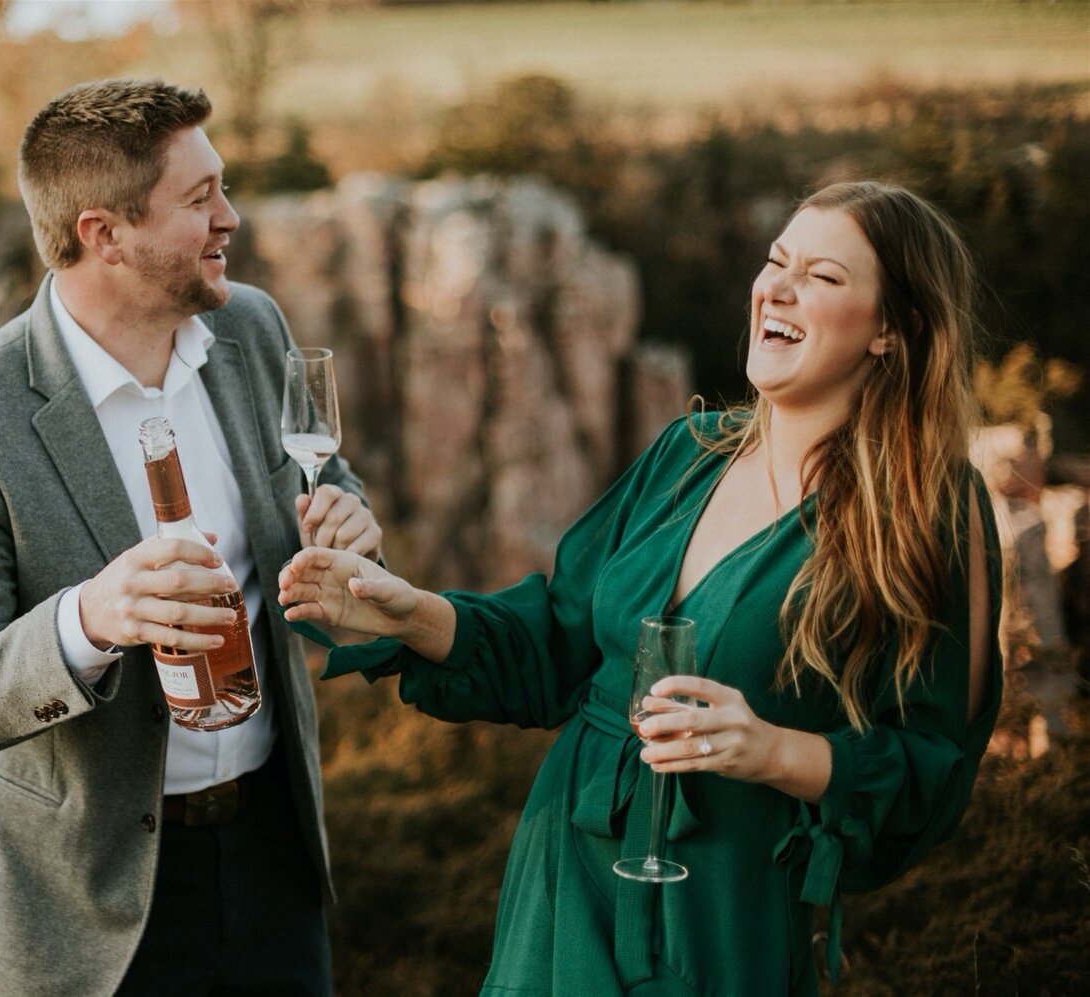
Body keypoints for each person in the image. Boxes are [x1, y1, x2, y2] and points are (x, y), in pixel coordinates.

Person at [278, 180, 1002, 996]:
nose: (779, 287)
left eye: (825, 277)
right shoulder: (685, 455)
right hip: (561, 886)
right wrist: (404, 608)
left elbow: (931, 768)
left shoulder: (930, 509)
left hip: (722, 906)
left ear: (892, 331)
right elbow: (555, 645)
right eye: (776, 262)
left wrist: (774, 751)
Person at [0, 78, 380, 996]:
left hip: (274, 864)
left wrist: (352, 523)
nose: (228, 218)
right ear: (103, 234)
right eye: (199, 200)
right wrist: (92, 616)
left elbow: (323, 483)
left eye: (221, 187)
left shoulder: (252, 326)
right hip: (75, 912)